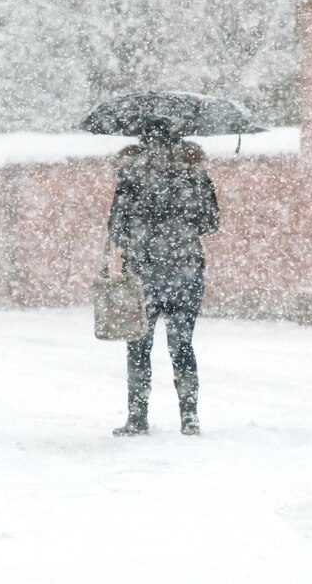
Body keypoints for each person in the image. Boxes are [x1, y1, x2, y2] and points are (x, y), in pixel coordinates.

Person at [107, 119, 220, 436]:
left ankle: (137, 418)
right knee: (182, 346)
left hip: (142, 274)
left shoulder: (131, 175)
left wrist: (139, 230)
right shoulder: (194, 174)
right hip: (186, 272)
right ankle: (189, 417)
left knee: (138, 347)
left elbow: (116, 230)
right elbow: (211, 223)